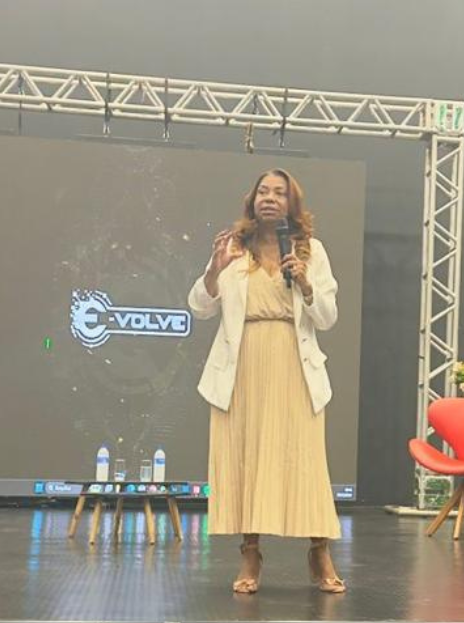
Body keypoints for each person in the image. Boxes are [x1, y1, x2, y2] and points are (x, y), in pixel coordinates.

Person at [188, 168, 346, 594]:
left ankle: (319, 550)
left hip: (294, 363)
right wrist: (213, 272)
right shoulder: (232, 248)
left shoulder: (311, 250)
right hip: (243, 364)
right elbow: (200, 307)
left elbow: (327, 318)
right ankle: (250, 554)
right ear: (252, 200)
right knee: (248, 456)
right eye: (263, 191)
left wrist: (307, 284)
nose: (270, 198)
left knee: (305, 459)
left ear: (292, 203)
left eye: (279, 192)